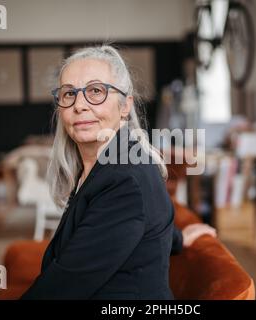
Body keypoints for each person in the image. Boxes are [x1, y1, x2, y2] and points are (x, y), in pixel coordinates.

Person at [21, 45, 215, 300]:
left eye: (96, 91)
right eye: (69, 94)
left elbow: (59, 292)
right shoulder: (110, 162)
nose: (79, 105)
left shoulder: (124, 180)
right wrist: (176, 238)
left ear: (125, 105)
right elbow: (131, 224)